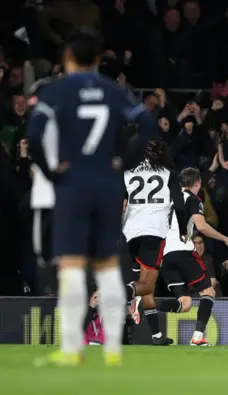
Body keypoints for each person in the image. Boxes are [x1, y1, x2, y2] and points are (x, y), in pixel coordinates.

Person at [28, 27, 156, 367]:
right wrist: (124, 162)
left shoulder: (57, 92)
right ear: (98, 61)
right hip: (107, 184)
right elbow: (146, 123)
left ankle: (73, 348)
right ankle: (113, 347)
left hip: (73, 184)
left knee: (70, 265)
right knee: (107, 264)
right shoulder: (112, 91)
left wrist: (52, 170)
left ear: (68, 59)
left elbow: (35, 135)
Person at [156, 168, 228, 346]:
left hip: (164, 256)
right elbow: (202, 226)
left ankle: (149, 307)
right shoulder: (192, 199)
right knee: (209, 291)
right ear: (198, 183)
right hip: (183, 251)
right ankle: (198, 337)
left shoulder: (166, 200)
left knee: (185, 304)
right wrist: (225, 239)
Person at [121, 140, 187, 346]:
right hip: (153, 232)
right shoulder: (169, 174)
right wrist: (184, 229)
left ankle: (156, 335)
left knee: (144, 285)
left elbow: (120, 203)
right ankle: (117, 293)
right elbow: (180, 205)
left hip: (129, 234)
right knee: (147, 284)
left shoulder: (127, 173)